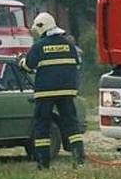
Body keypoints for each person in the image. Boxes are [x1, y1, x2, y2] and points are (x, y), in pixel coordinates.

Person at [18, 12, 85, 169]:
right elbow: (77, 63)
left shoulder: (39, 46)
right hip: (67, 92)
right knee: (71, 124)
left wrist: (20, 61)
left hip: (45, 93)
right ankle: (79, 158)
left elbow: (28, 66)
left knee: (42, 126)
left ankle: (43, 163)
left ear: (42, 27)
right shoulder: (69, 44)